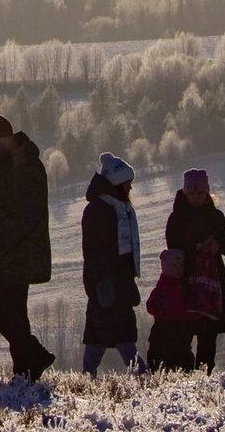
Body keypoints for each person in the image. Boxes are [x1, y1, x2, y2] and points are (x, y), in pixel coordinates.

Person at [0, 113, 55, 381]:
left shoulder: (26, 166)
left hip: (17, 254)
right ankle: (26, 371)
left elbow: (23, 214)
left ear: (2, 138)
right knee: (15, 313)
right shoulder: (3, 165)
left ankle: (33, 356)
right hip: (5, 253)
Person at [165, 167, 225, 372]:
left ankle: (203, 377)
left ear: (207, 192)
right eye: (191, 193)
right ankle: (184, 376)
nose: (196, 197)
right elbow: (173, 249)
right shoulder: (176, 219)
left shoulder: (216, 216)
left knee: (208, 335)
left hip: (212, 283)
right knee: (184, 333)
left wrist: (222, 243)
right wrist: (198, 250)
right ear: (185, 192)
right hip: (187, 283)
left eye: (199, 193)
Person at [81, 153, 142, 375]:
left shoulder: (113, 209)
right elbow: (95, 251)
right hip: (108, 283)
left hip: (116, 282)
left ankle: (88, 375)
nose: (130, 187)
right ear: (117, 182)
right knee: (118, 333)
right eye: (127, 182)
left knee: (101, 335)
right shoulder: (101, 210)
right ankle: (139, 374)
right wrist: (103, 282)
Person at [143, 249, 195, 372]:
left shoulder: (184, 285)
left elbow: (190, 307)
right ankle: (156, 375)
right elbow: (150, 305)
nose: (179, 269)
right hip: (163, 328)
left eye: (181, 266)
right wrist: (157, 305)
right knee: (160, 356)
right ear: (166, 267)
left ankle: (185, 377)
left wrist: (193, 315)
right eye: (174, 266)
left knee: (183, 356)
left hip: (182, 328)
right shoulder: (162, 287)